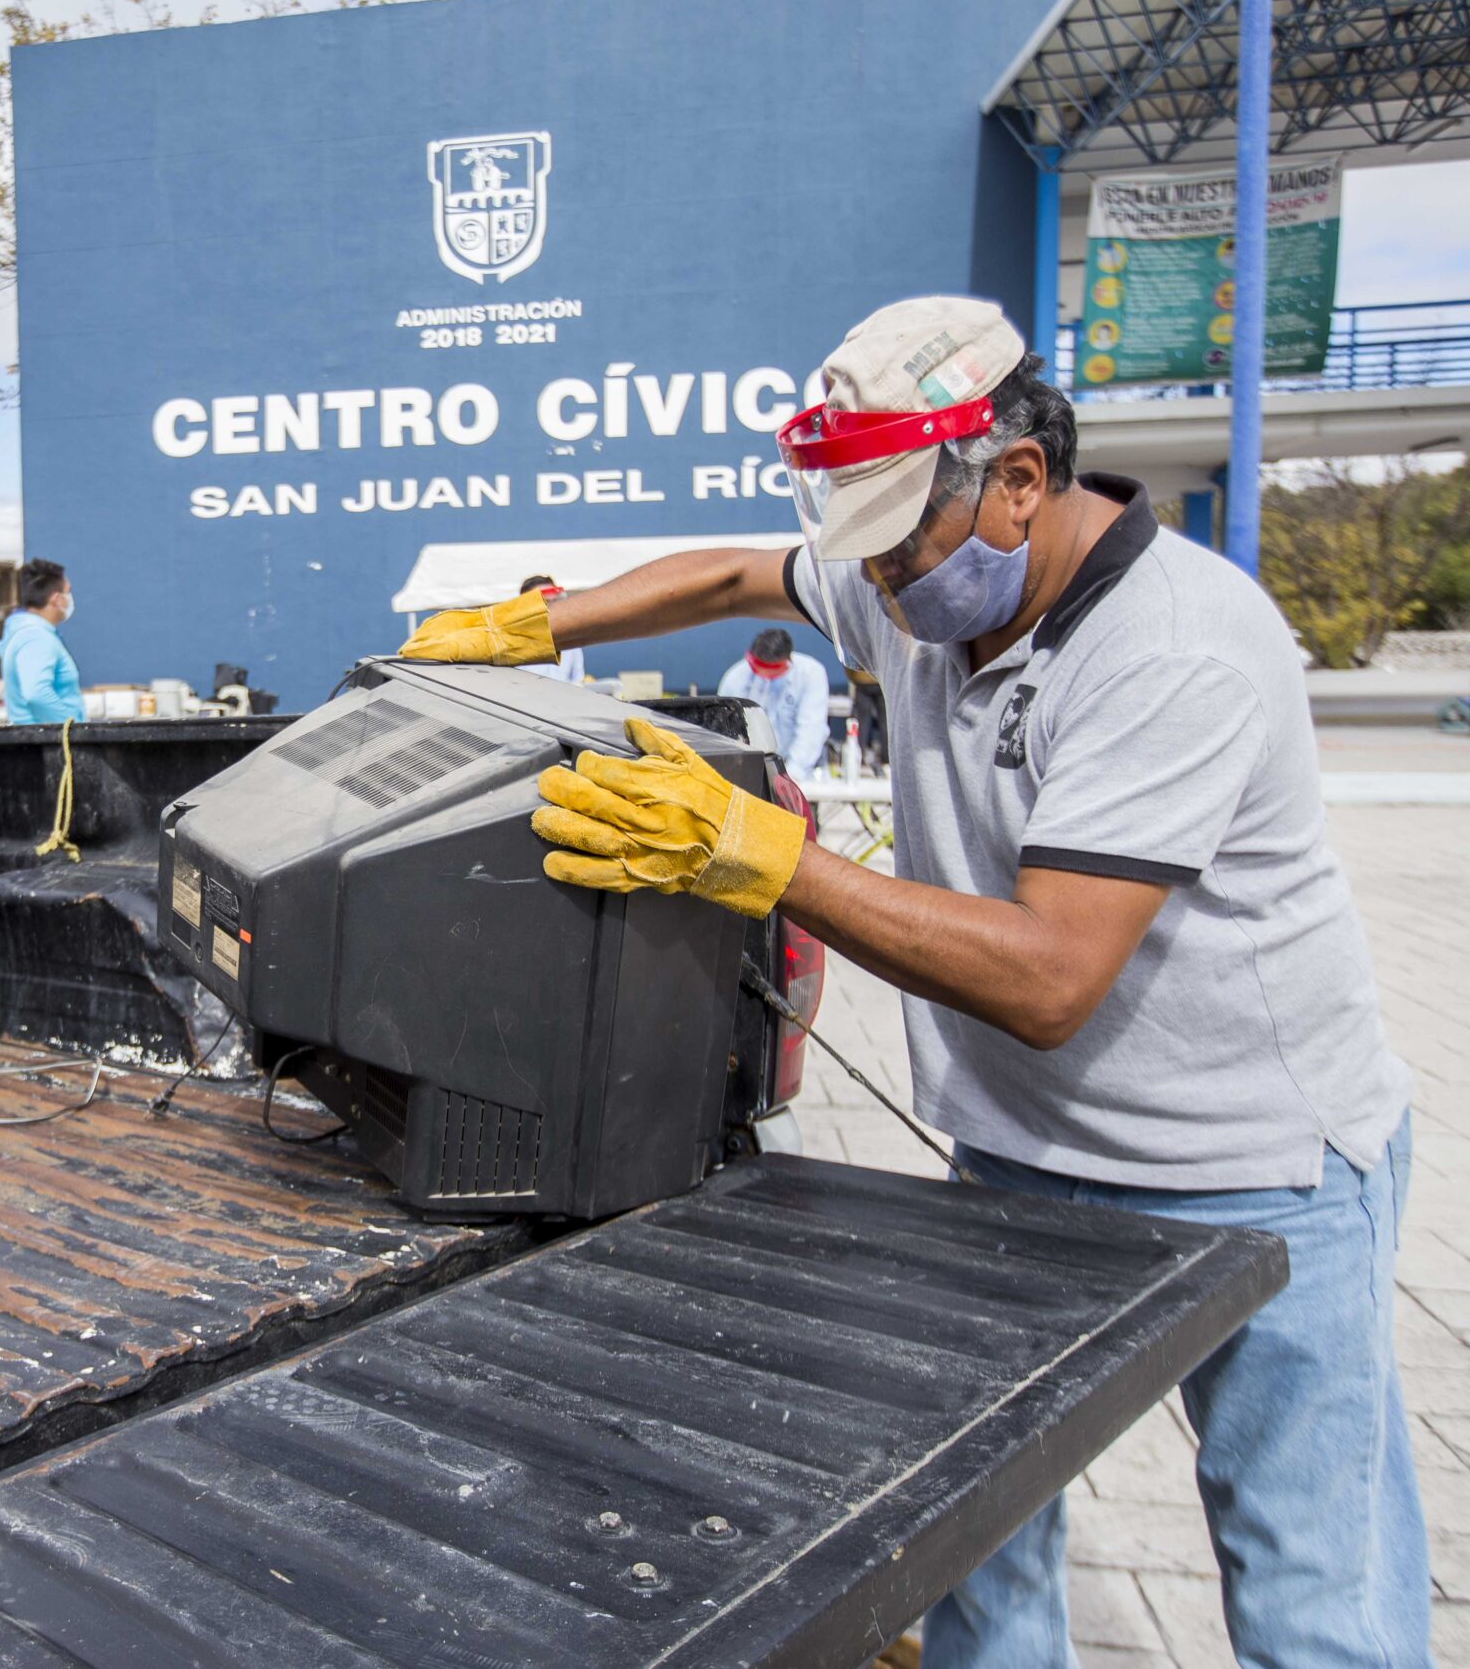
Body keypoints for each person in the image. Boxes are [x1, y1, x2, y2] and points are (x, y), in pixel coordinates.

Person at [398, 295, 1426, 1669]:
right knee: (983, 1550)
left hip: (1255, 1160)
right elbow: (726, 582)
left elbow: (1053, 976)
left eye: (895, 548)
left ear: (1017, 480)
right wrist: (534, 623)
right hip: (1018, 1152)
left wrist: (760, 857)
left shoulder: (1173, 645)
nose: (873, 589)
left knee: (1310, 1585)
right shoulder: (916, 582)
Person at [716, 626, 827, 779]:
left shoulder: (811, 674)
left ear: (786, 663)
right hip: (750, 767)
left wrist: (791, 775)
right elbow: (723, 732)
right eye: (756, 667)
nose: (762, 674)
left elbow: (810, 730)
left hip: (800, 770)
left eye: (768, 669)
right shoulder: (736, 677)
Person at [0, 557, 83, 726]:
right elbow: (36, 693)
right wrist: (75, 730)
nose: (70, 598)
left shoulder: (23, 633)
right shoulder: (35, 637)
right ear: (56, 599)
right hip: (53, 744)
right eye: (68, 592)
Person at [516, 575, 591, 682]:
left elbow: (577, 682)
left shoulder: (571, 644)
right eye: (544, 602)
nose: (551, 608)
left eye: (555, 601)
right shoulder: (512, 644)